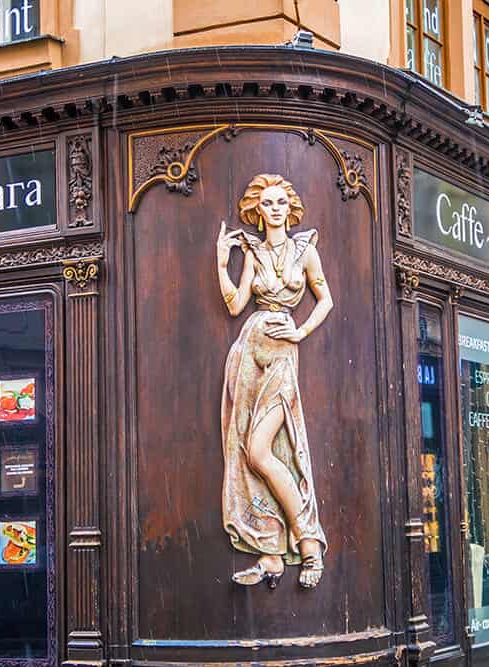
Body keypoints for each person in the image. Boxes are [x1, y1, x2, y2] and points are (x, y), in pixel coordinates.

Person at [216, 174, 333, 589]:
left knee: (261, 450)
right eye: (267, 203)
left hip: (283, 353)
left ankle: (308, 542)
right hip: (250, 352)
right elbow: (234, 304)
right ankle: (272, 549)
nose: (276, 208)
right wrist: (220, 260)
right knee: (250, 450)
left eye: (282, 201)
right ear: (258, 211)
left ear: (291, 207)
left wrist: (300, 332)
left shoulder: (305, 251)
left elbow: (326, 300)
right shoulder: (254, 253)